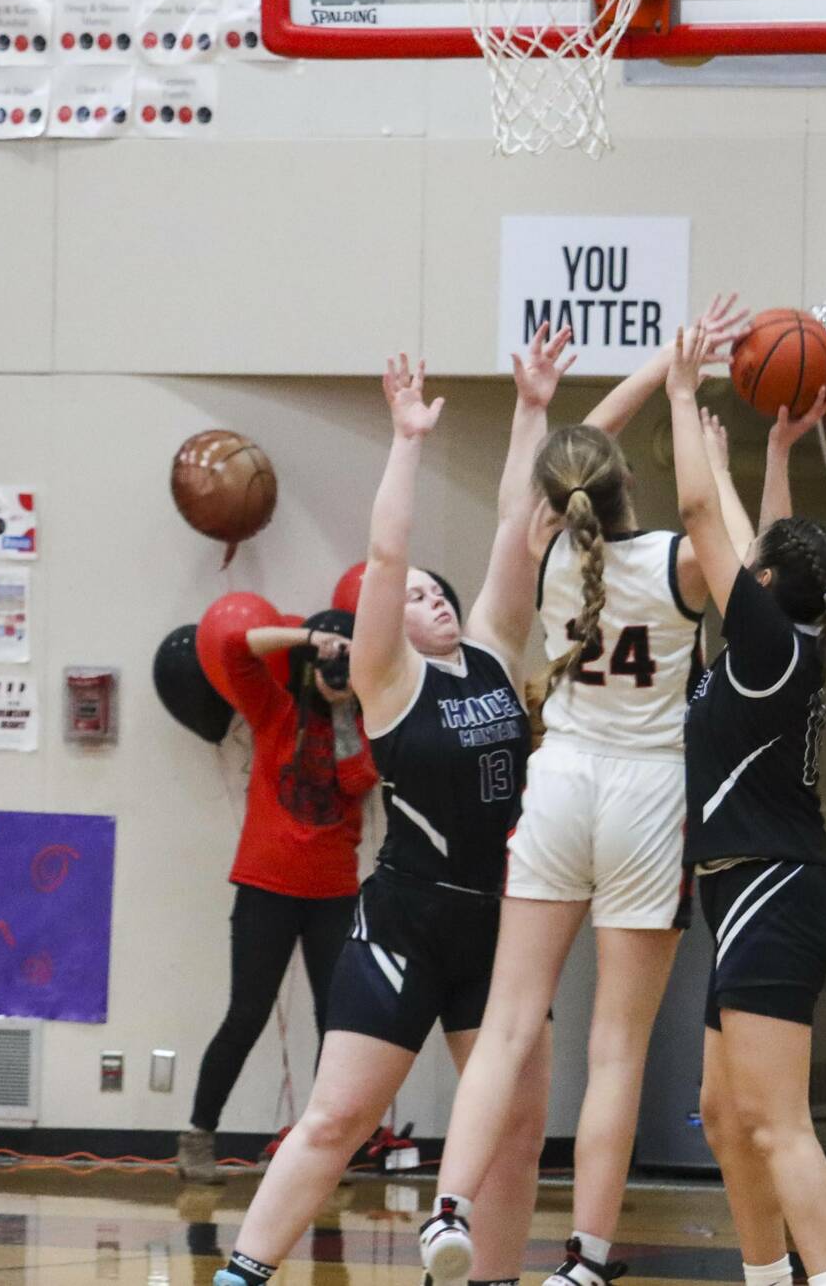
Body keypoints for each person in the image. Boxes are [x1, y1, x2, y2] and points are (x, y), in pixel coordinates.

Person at [417, 297, 769, 1286]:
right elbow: (727, 536)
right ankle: (584, 1261)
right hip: (648, 799)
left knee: (511, 1017)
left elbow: (561, 461)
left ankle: (447, 1205)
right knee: (615, 1047)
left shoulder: (539, 550)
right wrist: (688, 385)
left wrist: (591, 388)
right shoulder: (677, 563)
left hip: (560, 782)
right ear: (627, 489)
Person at [212, 332, 565, 1286]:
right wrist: (406, 438)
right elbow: (385, 549)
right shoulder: (385, 680)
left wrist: (530, 408)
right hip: (406, 919)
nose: (431, 597)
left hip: (499, 923)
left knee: (521, 1134)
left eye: (433, 591)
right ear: (380, 617)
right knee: (336, 1120)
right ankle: (244, 1272)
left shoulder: (492, 646)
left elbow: (510, 529)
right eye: (409, 595)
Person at [674, 325, 826, 1286]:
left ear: (766, 588)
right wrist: (775, 453)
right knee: (725, 1113)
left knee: (777, 1122)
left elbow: (701, 510)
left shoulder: (772, 645)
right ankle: (766, 1276)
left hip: (773, 893)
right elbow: (758, 542)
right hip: (742, 894)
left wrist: (683, 393)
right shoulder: (783, 636)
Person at [180, 608, 377, 1184]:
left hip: (333, 895)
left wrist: (344, 706)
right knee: (246, 1015)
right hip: (266, 888)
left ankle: (321, 1149)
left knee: (335, 1025)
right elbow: (236, 646)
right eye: (329, 661)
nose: (336, 669)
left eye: (347, 661)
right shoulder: (273, 710)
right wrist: (312, 640)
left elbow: (359, 782)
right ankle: (197, 1137)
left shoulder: (364, 725)